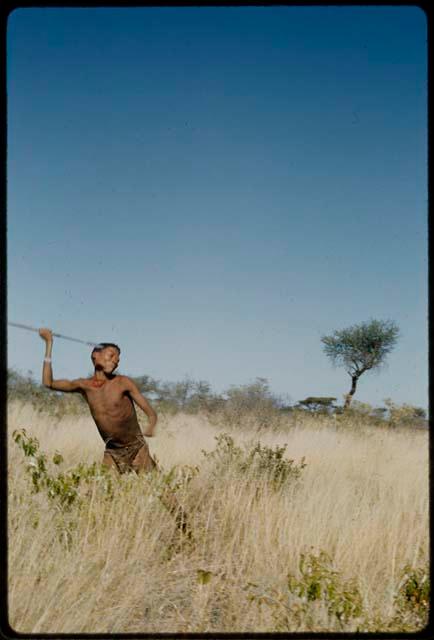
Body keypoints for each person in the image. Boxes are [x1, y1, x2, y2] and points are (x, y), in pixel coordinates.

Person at [38, 328, 190, 535]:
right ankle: (96, 537)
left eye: (118, 359)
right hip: (112, 452)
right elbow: (48, 383)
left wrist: (151, 424)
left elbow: (151, 413)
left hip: (137, 449)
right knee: (99, 495)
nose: (116, 361)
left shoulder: (123, 383)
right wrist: (49, 344)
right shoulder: (84, 386)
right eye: (111, 356)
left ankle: (185, 527)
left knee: (161, 490)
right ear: (95, 356)